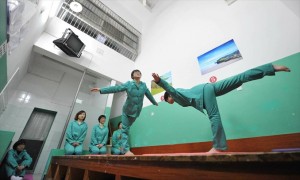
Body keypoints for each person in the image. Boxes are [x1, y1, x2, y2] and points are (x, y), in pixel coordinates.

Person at [152, 64, 291, 153]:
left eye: (166, 98)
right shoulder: (181, 95)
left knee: (213, 116)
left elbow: (171, 89)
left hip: (205, 91)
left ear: (169, 96)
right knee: (239, 78)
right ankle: (271, 68)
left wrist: (159, 82)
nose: (167, 101)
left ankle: (219, 147)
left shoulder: (175, 95)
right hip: (209, 88)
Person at [91, 70, 158, 155]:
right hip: (127, 111)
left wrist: (154, 102)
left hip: (136, 112)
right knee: (125, 129)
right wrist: (101, 90)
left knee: (126, 129)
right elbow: (116, 88)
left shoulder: (143, 85)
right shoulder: (129, 84)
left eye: (139, 72)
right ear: (132, 76)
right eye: (135, 72)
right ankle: (126, 150)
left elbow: (148, 94)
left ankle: (123, 149)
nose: (138, 73)